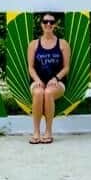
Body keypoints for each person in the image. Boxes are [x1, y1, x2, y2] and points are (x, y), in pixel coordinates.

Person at [27, 12, 70, 144]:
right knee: (39, 93)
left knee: (48, 92)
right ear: (41, 24)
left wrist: (56, 78)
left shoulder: (62, 44)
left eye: (51, 22)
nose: (48, 24)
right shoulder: (34, 44)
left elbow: (66, 67)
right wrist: (38, 80)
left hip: (57, 82)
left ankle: (48, 131)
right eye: (45, 21)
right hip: (38, 81)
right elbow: (31, 67)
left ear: (55, 25)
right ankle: (36, 131)